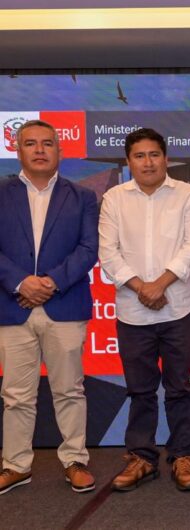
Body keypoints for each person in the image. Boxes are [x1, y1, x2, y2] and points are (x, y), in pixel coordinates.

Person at [99, 128, 190, 492]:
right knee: (140, 389)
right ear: (129, 161)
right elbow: (108, 251)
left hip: (178, 309)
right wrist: (141, 287)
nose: (148, 162)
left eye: (154, 154)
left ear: (166, 158)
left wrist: (160, 284)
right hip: (133, 312)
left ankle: (182, 455)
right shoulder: (114, 198)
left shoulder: (188, 194)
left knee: (179, 387)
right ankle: (142, 457)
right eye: (140, 156)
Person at [0, 120, 98, 495]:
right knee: (16, 396)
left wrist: (50, 283)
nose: (40, 150)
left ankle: (75, 460)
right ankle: (16, 465)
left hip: (65, 304)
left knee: (70, 390)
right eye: (31, 143)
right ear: (18, 150)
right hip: (12, 306)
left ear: (60, 150)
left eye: (47, 143)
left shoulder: (82, 196)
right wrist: (21, 282)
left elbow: (88, 248)